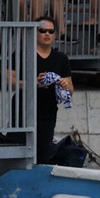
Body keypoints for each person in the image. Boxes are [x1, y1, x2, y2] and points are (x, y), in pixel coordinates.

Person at [28, 16, 73, 163]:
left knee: (43, 153)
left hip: (48, 113)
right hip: (24, 112)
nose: (47, 34)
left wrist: (65, 86)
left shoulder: (61, 58)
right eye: (42, 30)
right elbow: (10, 81)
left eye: (51, 31)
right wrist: (34, 82)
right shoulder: (25, 55)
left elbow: (70, 88)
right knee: (23, 150)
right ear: (35, 33)